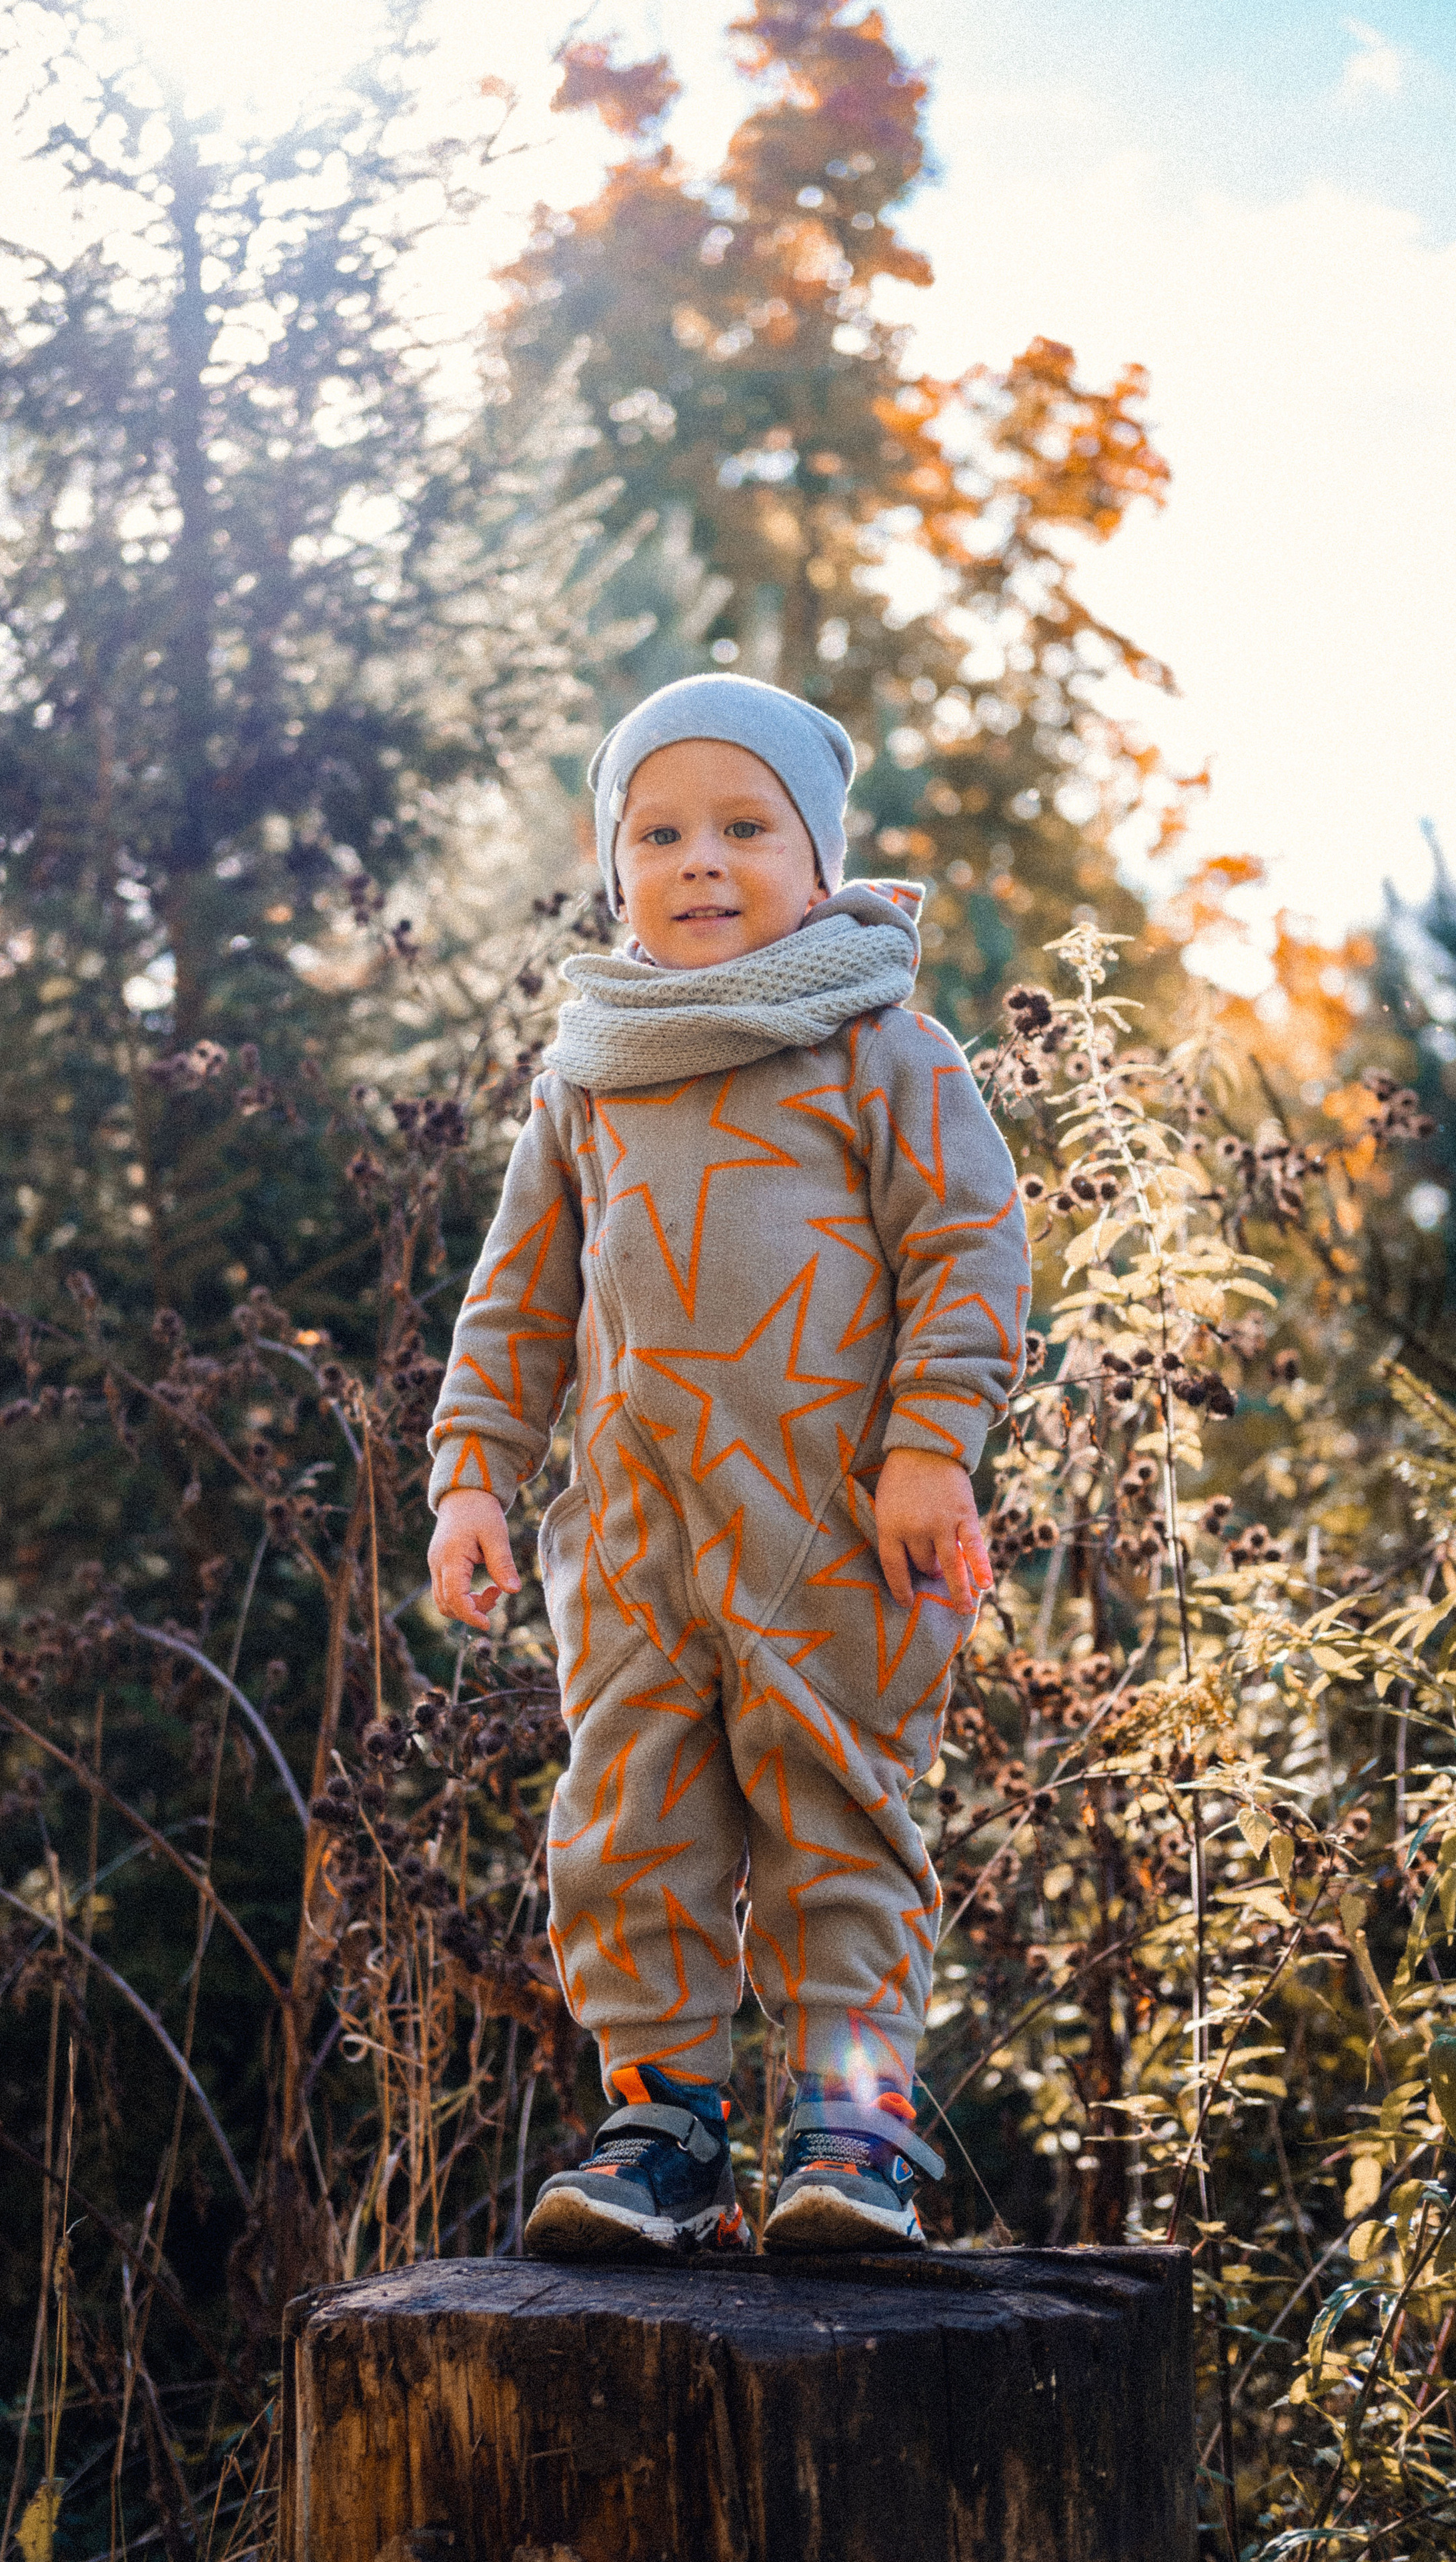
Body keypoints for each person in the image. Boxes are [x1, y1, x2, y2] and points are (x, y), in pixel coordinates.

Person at [426, 672, 1030, 2258]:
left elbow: (967, 1254)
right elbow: (518, 1294)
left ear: (817, 862)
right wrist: (473, 1474)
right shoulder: (589, 1075)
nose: (701, 860)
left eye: (744, 828)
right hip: (629, 1544)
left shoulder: (883, 1046)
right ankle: (665, 2131)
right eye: (661, 832)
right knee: (629, 1828)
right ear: (614, 867)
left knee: (837, 1812)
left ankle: (852, 2130)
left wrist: (929, 1451)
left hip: (834, 1526)